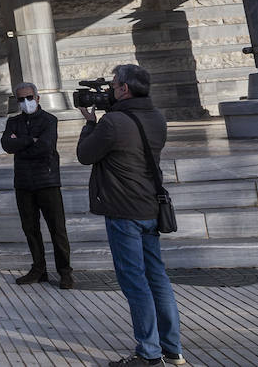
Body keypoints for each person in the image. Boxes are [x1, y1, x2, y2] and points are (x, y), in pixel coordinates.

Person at [76, 64, 184, 367]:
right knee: (157, 277)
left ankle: (148, 353)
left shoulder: (113, 123)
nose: (109, 91)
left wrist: (90, 124)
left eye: (113, 86)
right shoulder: (157, 117)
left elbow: (85, 155)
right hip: (150, 206)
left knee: (134, 282)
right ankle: (172, 349)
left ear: (124, 89)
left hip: (123, 211)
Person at [2, 81, 72, 290]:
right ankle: (38, 269)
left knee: (57, 229)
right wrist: (30, 140)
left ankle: (65, 272)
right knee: (30, 228)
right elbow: (7, 145)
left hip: (47, 180)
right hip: (23, 182)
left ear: (37, 98)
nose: (26, 102)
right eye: (21, 99)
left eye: (29, 97)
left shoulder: (49, 120)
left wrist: (21, 143)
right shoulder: (13, 122)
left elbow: (45, 146)